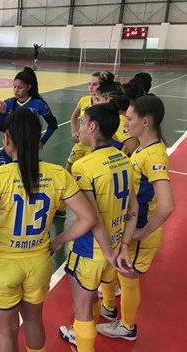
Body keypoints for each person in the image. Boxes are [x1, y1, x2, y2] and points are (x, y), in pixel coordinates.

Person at [0, 108, 98, 352]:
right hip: (38, 262)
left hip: (1, 263)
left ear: (6, 140)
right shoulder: (58, 174)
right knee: (33, 320)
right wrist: (59, 241)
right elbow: (88, 218)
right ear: (39, 142)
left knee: (6, 332)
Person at [57, 102, 139, 352]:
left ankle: (84, 344)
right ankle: (83, 338)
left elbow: (90, 220)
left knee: (82, 308)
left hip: (91, 251)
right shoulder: (124, 158)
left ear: (92, 127)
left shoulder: (84, 167)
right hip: (114, 246)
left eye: (82, 123)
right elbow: (133, 208)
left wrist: (59, 240)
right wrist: (122, 247)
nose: (80, 128)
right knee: (93, 298)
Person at [97, 95, 175, 341]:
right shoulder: (143, 147)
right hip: (128, 227)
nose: (125, 123)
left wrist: (143, 232)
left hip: (140, 231)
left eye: (129, 119)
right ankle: (109, 307)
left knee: (128, 279)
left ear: (146, 121)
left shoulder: (154, 157)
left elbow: (167, 205)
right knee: (115, 269)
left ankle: (127, 326)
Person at [56, 71, 115, 218]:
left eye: (94, 84)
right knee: (68, 171)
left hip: (95, 148)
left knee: (88, 179)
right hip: (80, 145)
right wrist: (74, 131)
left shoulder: (106, 106)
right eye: (89, 84)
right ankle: (61, 207)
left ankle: (88, 212)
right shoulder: (84, 100)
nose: (90, 87)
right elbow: (74, 116)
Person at [0, 67, 58, 166]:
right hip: (10, 149)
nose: (16, 90)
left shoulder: (38, 104)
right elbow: (0, 127)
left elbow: (53, 124)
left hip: (29, 150)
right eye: (14, 87)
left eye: (20, 88)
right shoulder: (8, 103)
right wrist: (2, 114)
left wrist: (42, 142)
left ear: (28, 87)